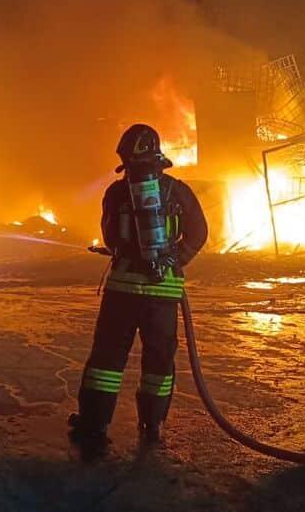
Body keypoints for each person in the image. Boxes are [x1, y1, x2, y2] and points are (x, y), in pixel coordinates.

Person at [68, 123, 208, 450]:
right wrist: (175, 260)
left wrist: (128, 251)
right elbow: (199, 233)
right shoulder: (178, 190)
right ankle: (153, 425)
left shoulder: (116, 193)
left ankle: (94, 426)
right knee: (159, 361)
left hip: (122, 292)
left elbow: (111, 238)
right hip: (164, 293)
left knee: (107, 359)